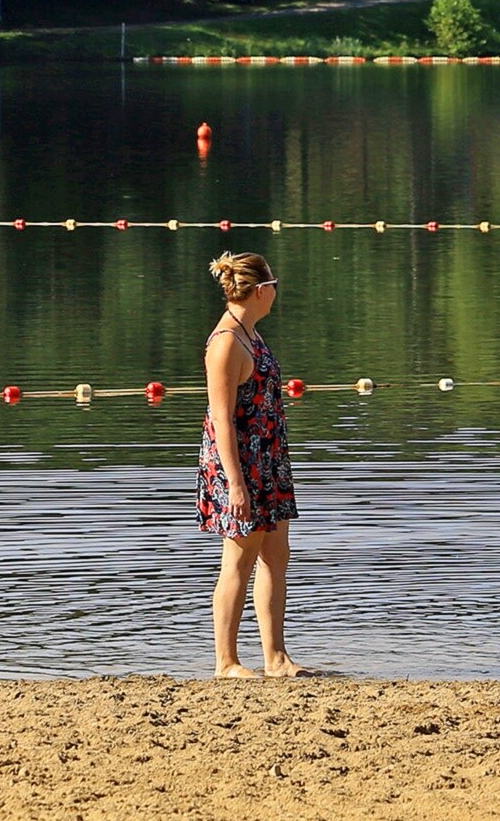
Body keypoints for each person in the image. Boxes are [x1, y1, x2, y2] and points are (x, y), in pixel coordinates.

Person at [199, 249, 300, 678]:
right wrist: (236, 484)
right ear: (260, 291)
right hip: (240, 463)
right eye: (273, 285)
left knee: (276, 554)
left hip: (268, 457)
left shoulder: (250, 334)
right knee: (239, 561)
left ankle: (276, 659)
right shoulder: (226, 343)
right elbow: (221, 419)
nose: (276, 293)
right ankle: (226, 662)